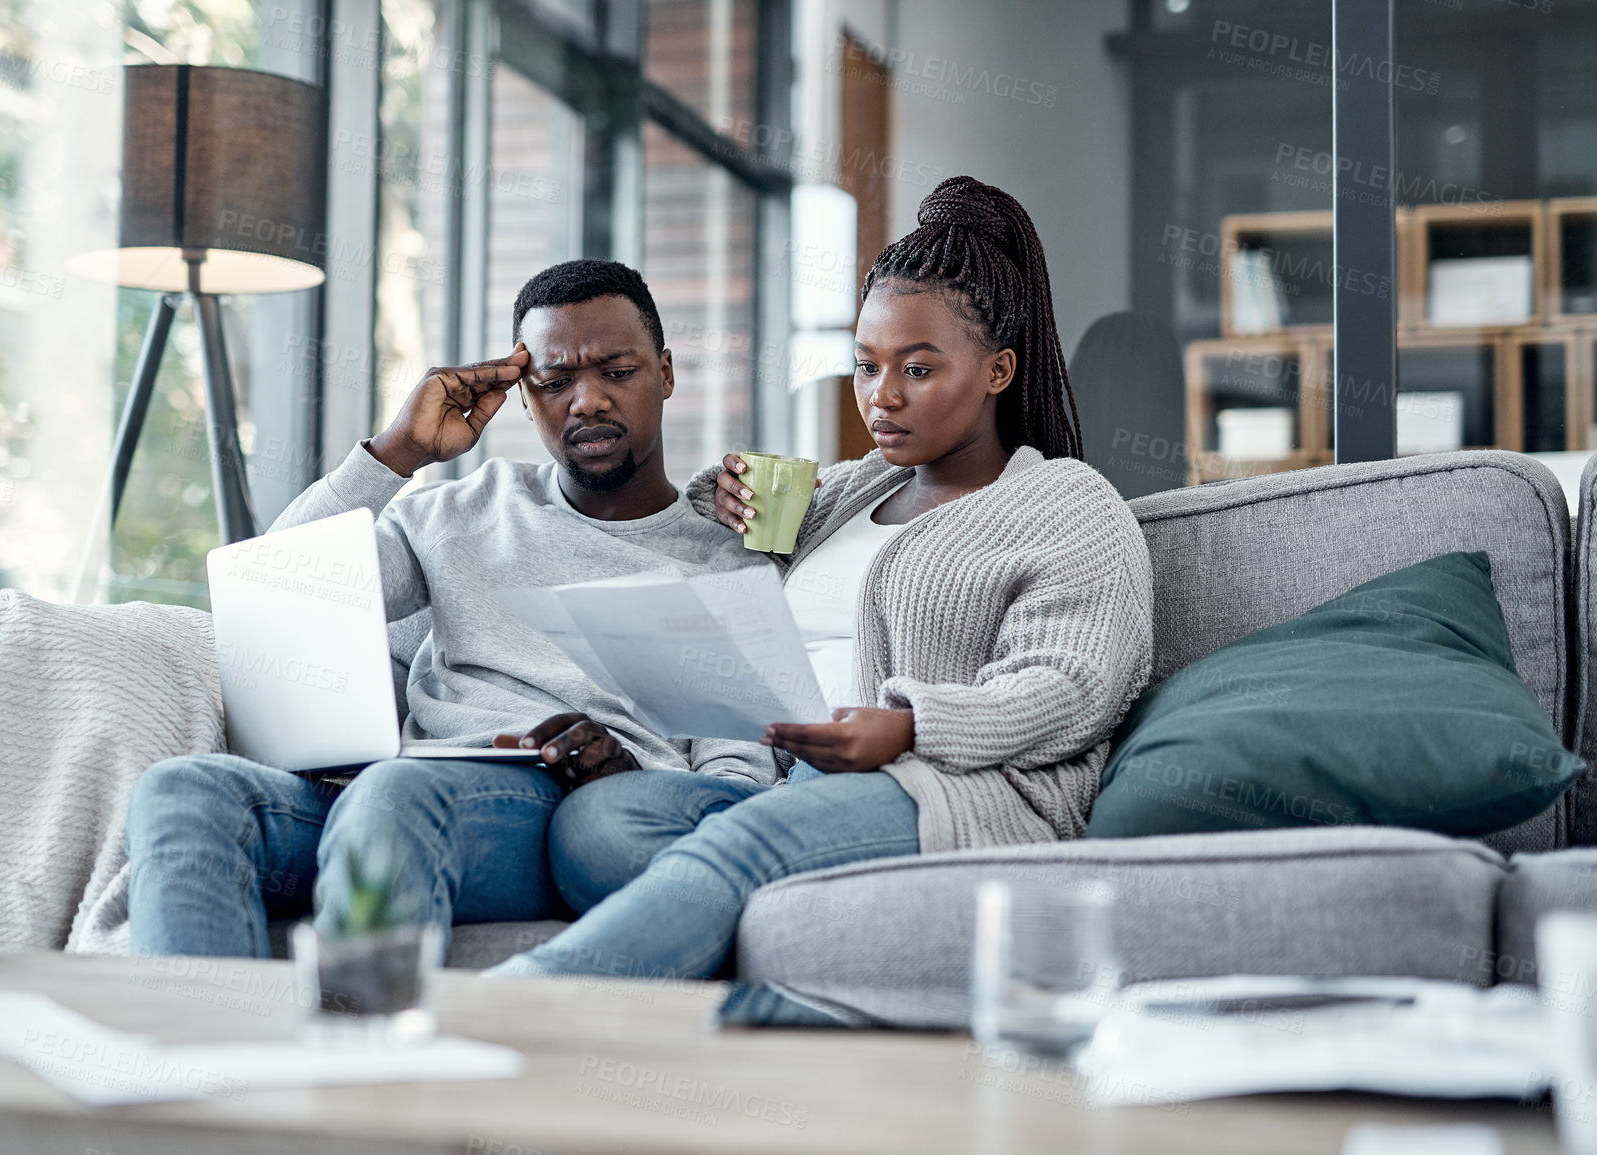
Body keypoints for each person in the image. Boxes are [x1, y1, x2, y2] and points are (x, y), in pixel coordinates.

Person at [489, 176, 1154, 991]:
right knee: (598, 821)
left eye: (917, 368)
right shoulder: (853, 489)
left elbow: (1071, 686)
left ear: (997, 370)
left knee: (740, 846)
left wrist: (906, 728)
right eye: (865, 367)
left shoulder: (1065, 502)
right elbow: (731, 549)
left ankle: (522, 1001)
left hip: (946, 791)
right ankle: (775, 929)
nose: (882, 396)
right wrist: (721, 491)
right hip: (788, 787)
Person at [126, 259, 777, 959]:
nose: (585, 401)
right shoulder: (460, 512)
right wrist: (397, 452)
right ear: (525, 399)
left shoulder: (720, 558)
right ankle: (201, 1065)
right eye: (554, 383)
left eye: (616, 372)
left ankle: (359, 1053)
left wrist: (630, 778)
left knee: (395, 795)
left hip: (550, 811)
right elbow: (277, 591)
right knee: (183, 789)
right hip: (401, 783)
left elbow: (735, 788)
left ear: (666, 374)